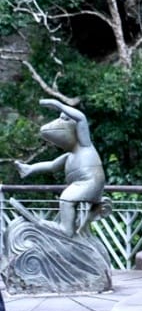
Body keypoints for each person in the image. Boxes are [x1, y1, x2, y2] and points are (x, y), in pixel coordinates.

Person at [14, 99, 106, 238]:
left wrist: (59, 105)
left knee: (67, 198)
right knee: (68, 198)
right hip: (80, 184)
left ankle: (66, 230)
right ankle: (28, 169)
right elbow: (51, 166)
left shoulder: (84, 145)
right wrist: (30, 168)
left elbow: (81, 118)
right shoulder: (69, 156)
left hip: (90, 182)